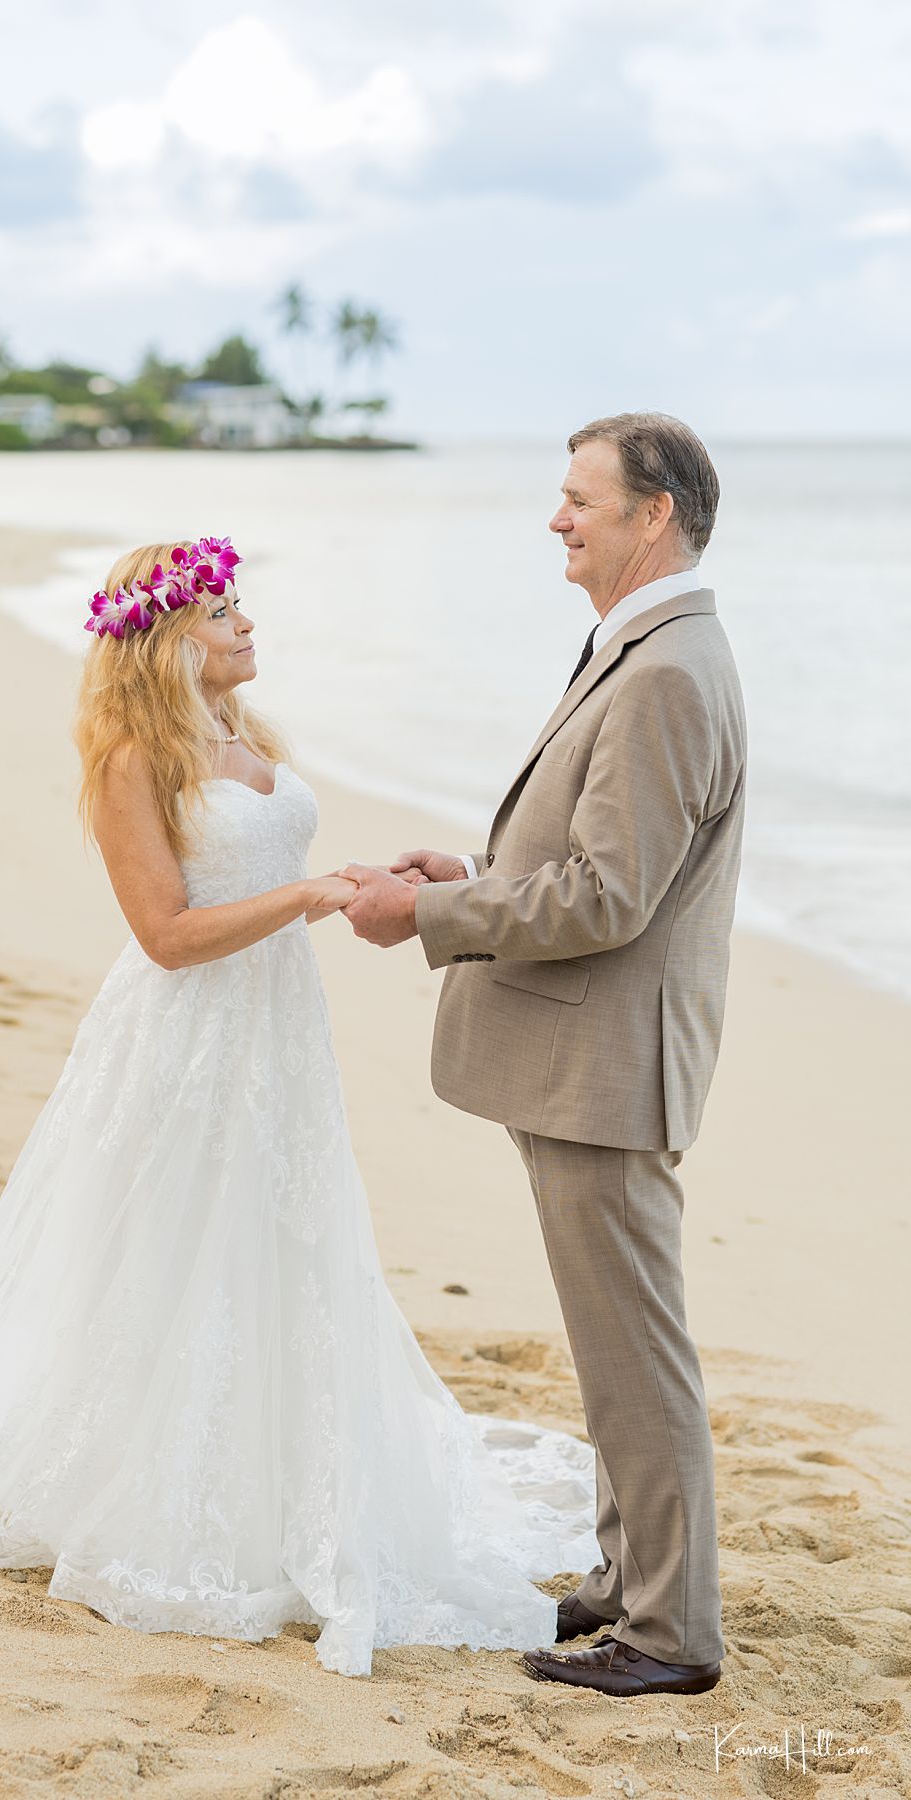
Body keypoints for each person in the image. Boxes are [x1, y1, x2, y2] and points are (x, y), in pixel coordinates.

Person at [0, 534, 596, 1680]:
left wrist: (383, 880)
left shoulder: (251, 737)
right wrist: (310, 894)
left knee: (280, 1235)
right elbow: (169, 938)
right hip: (185, 1034)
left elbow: (271, 877)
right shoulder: (133, 757)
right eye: (223, 613)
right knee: (164, 1246)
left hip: (278, 1026)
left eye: (240, 609)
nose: (246, 627)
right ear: (170, 638)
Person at [340, 414, 746, 1697]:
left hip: (613, 1063)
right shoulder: (648, 648)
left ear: (655, 516)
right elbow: (593, 857)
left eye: (580, 498)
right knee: (609, 1338)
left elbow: (614, 898)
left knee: (634, 1348)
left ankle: (672, 1635)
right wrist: (470, 872)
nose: (556, 517)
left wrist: (433, 918)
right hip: (594, 1053)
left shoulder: (672, 667)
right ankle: (629, 1584)